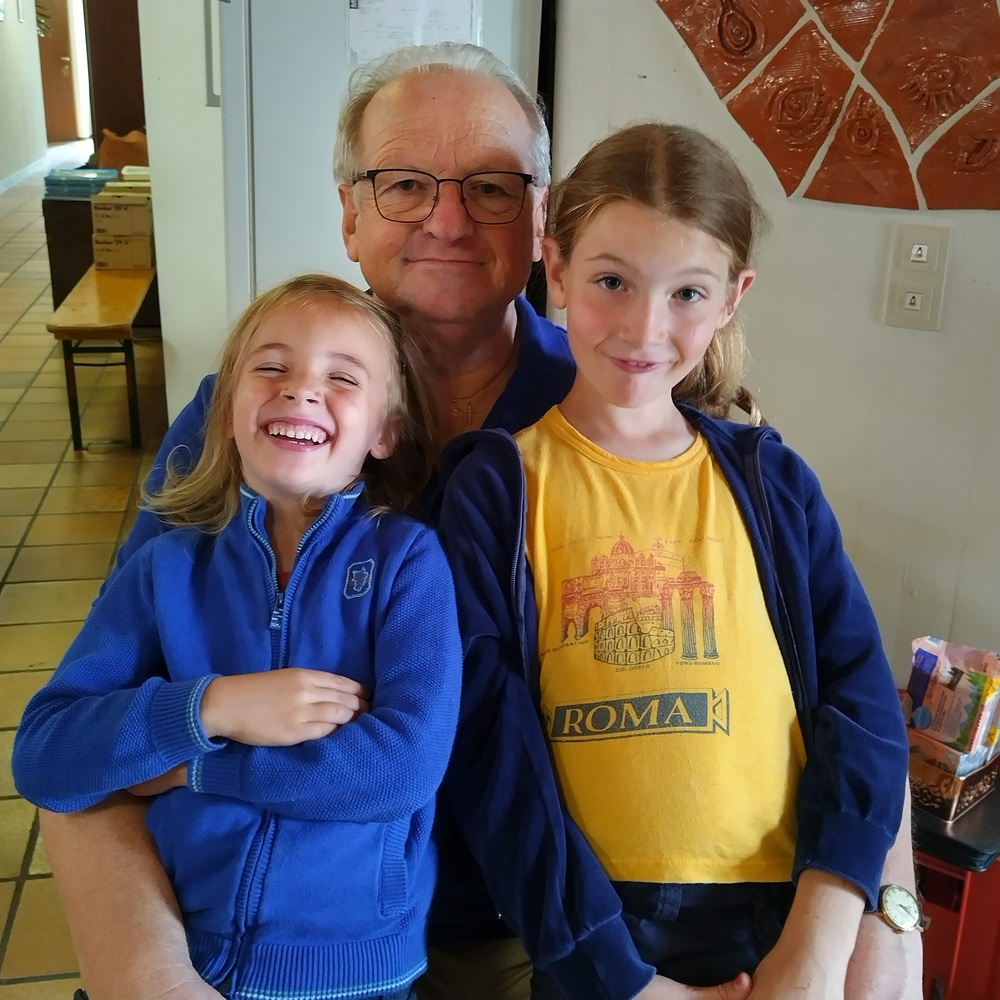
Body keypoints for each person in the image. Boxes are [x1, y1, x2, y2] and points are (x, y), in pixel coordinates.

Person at [34, 43, 921, 1000]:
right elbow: (87, 730)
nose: (448, 221)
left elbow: (818, 671)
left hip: (553, 929)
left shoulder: (624, 396)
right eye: (404, 183)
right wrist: (152, 974)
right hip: (247, 918)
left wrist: (886, 916)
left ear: (542, 223)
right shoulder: (259, 420)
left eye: (491, 188)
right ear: (349, 213)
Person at [437, 122, 913, 1000]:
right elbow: (489, 754)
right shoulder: (494, 486)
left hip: (784, 915)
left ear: (734, 297)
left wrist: (821, 934)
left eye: (687, 292)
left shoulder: (772, 480)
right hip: (595, 932)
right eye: (612, 281)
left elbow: (862, 704)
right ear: (556, 267)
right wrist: (615, 976)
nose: (644, 327)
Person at [14, 274, 461, 1000]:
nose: (300, 389)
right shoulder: (165, 569)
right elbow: (45, 757)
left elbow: (399, 771)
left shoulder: (408, 563)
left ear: (385, 432)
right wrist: (212, 706)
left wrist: (193, 768)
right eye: (272, 366)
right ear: (224, 411)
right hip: (181, 952)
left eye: (342, 377)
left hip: (355, 974)